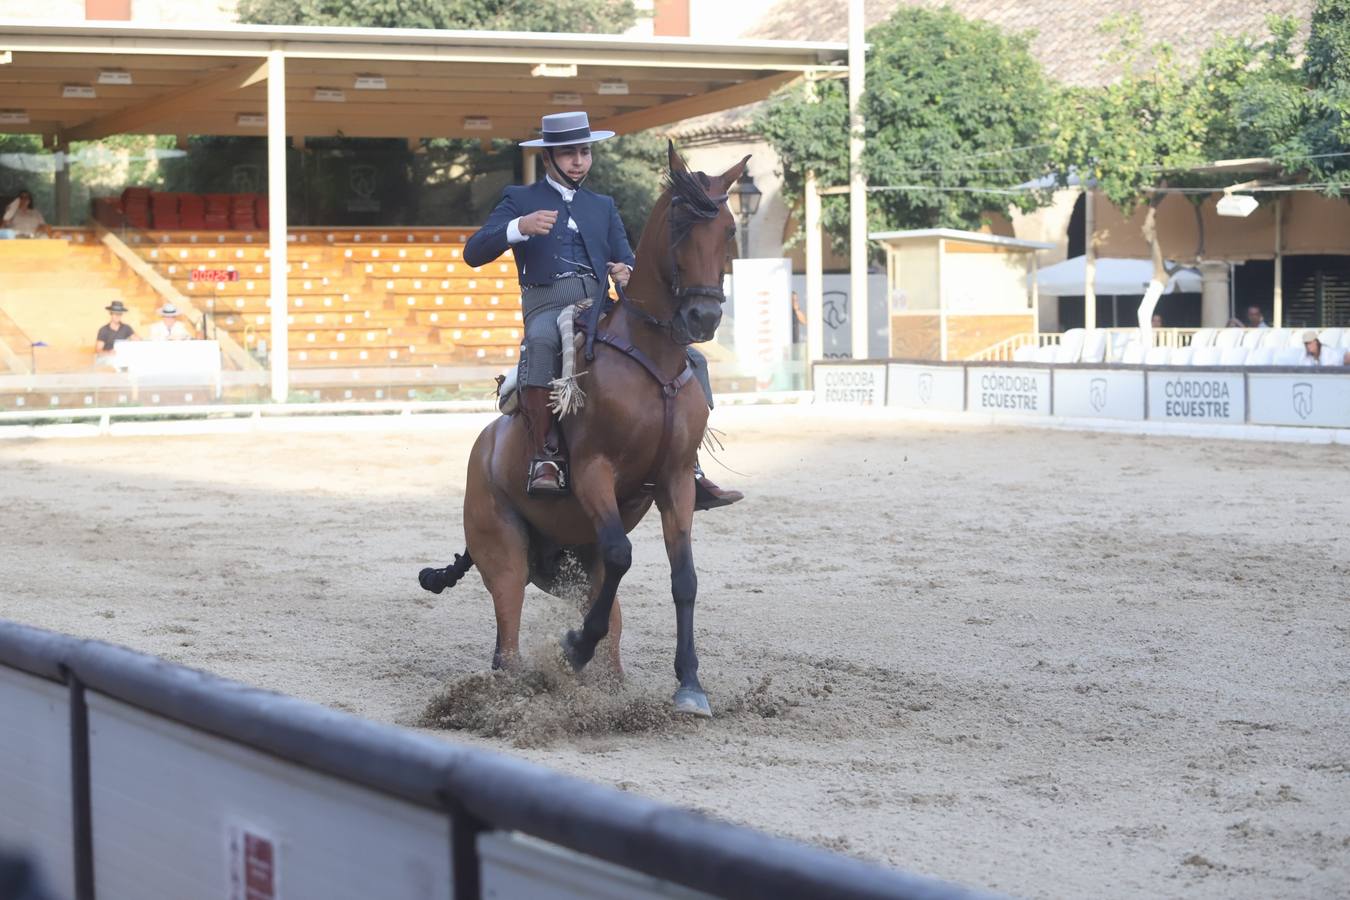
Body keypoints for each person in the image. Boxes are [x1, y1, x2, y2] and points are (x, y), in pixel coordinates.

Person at [464, 111, 742, 509]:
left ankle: (689, 464)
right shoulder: (519, 200)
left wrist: (626, 270)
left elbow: (626, 256)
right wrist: (518, 228)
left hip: (601, 305)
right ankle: (546, 456)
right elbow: (473, 252)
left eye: (584, 152)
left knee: (690, 357)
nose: (579, 160)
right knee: (541, 343)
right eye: (569, 153)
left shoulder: (603, 205)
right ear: (548, 158)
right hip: (547, 303)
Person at [94, 300, 137, 365]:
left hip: (121, 360)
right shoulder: (103, 330)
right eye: (115, 313)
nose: (117, 316)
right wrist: (109, 353)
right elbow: (98, 350)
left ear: (122, 314)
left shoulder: (126, 328)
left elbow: (138, 341)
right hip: (107, 360)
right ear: (111, 313)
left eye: (119, 314)